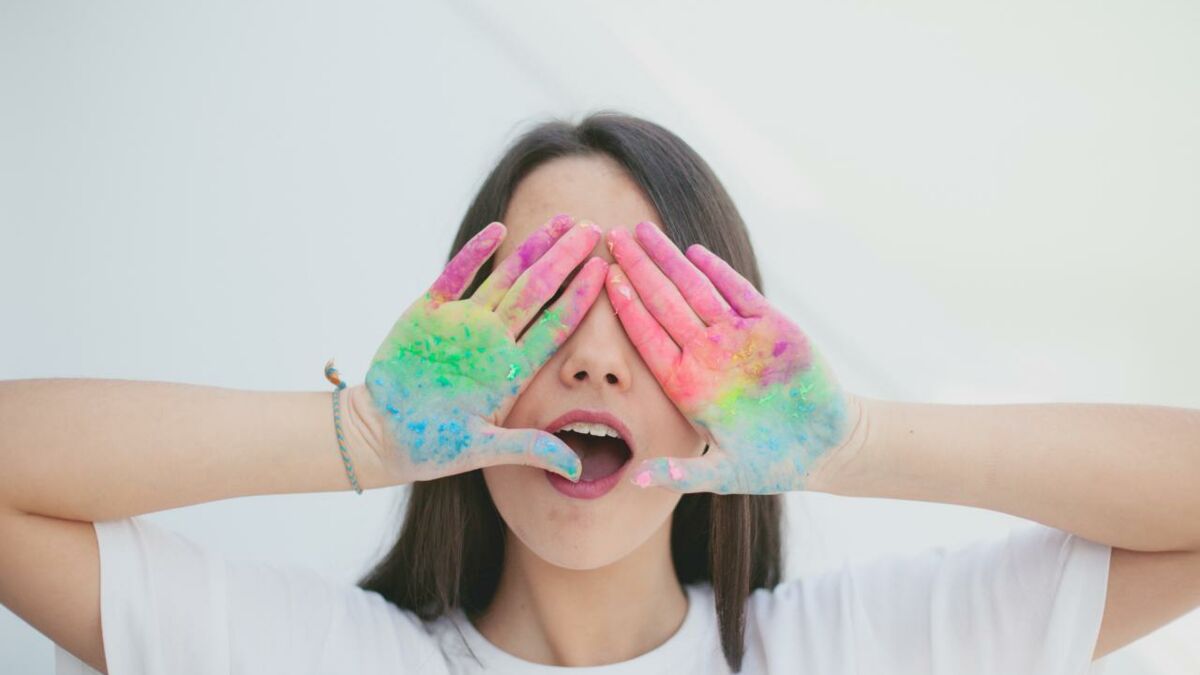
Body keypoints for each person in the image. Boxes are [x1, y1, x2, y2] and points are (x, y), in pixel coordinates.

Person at [1, 112, 1198, 675]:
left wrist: (853, 443)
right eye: (550, 298)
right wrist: (359, 434)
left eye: (650, 306)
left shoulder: (859, 654)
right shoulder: (309, 656)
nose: (595, 359)